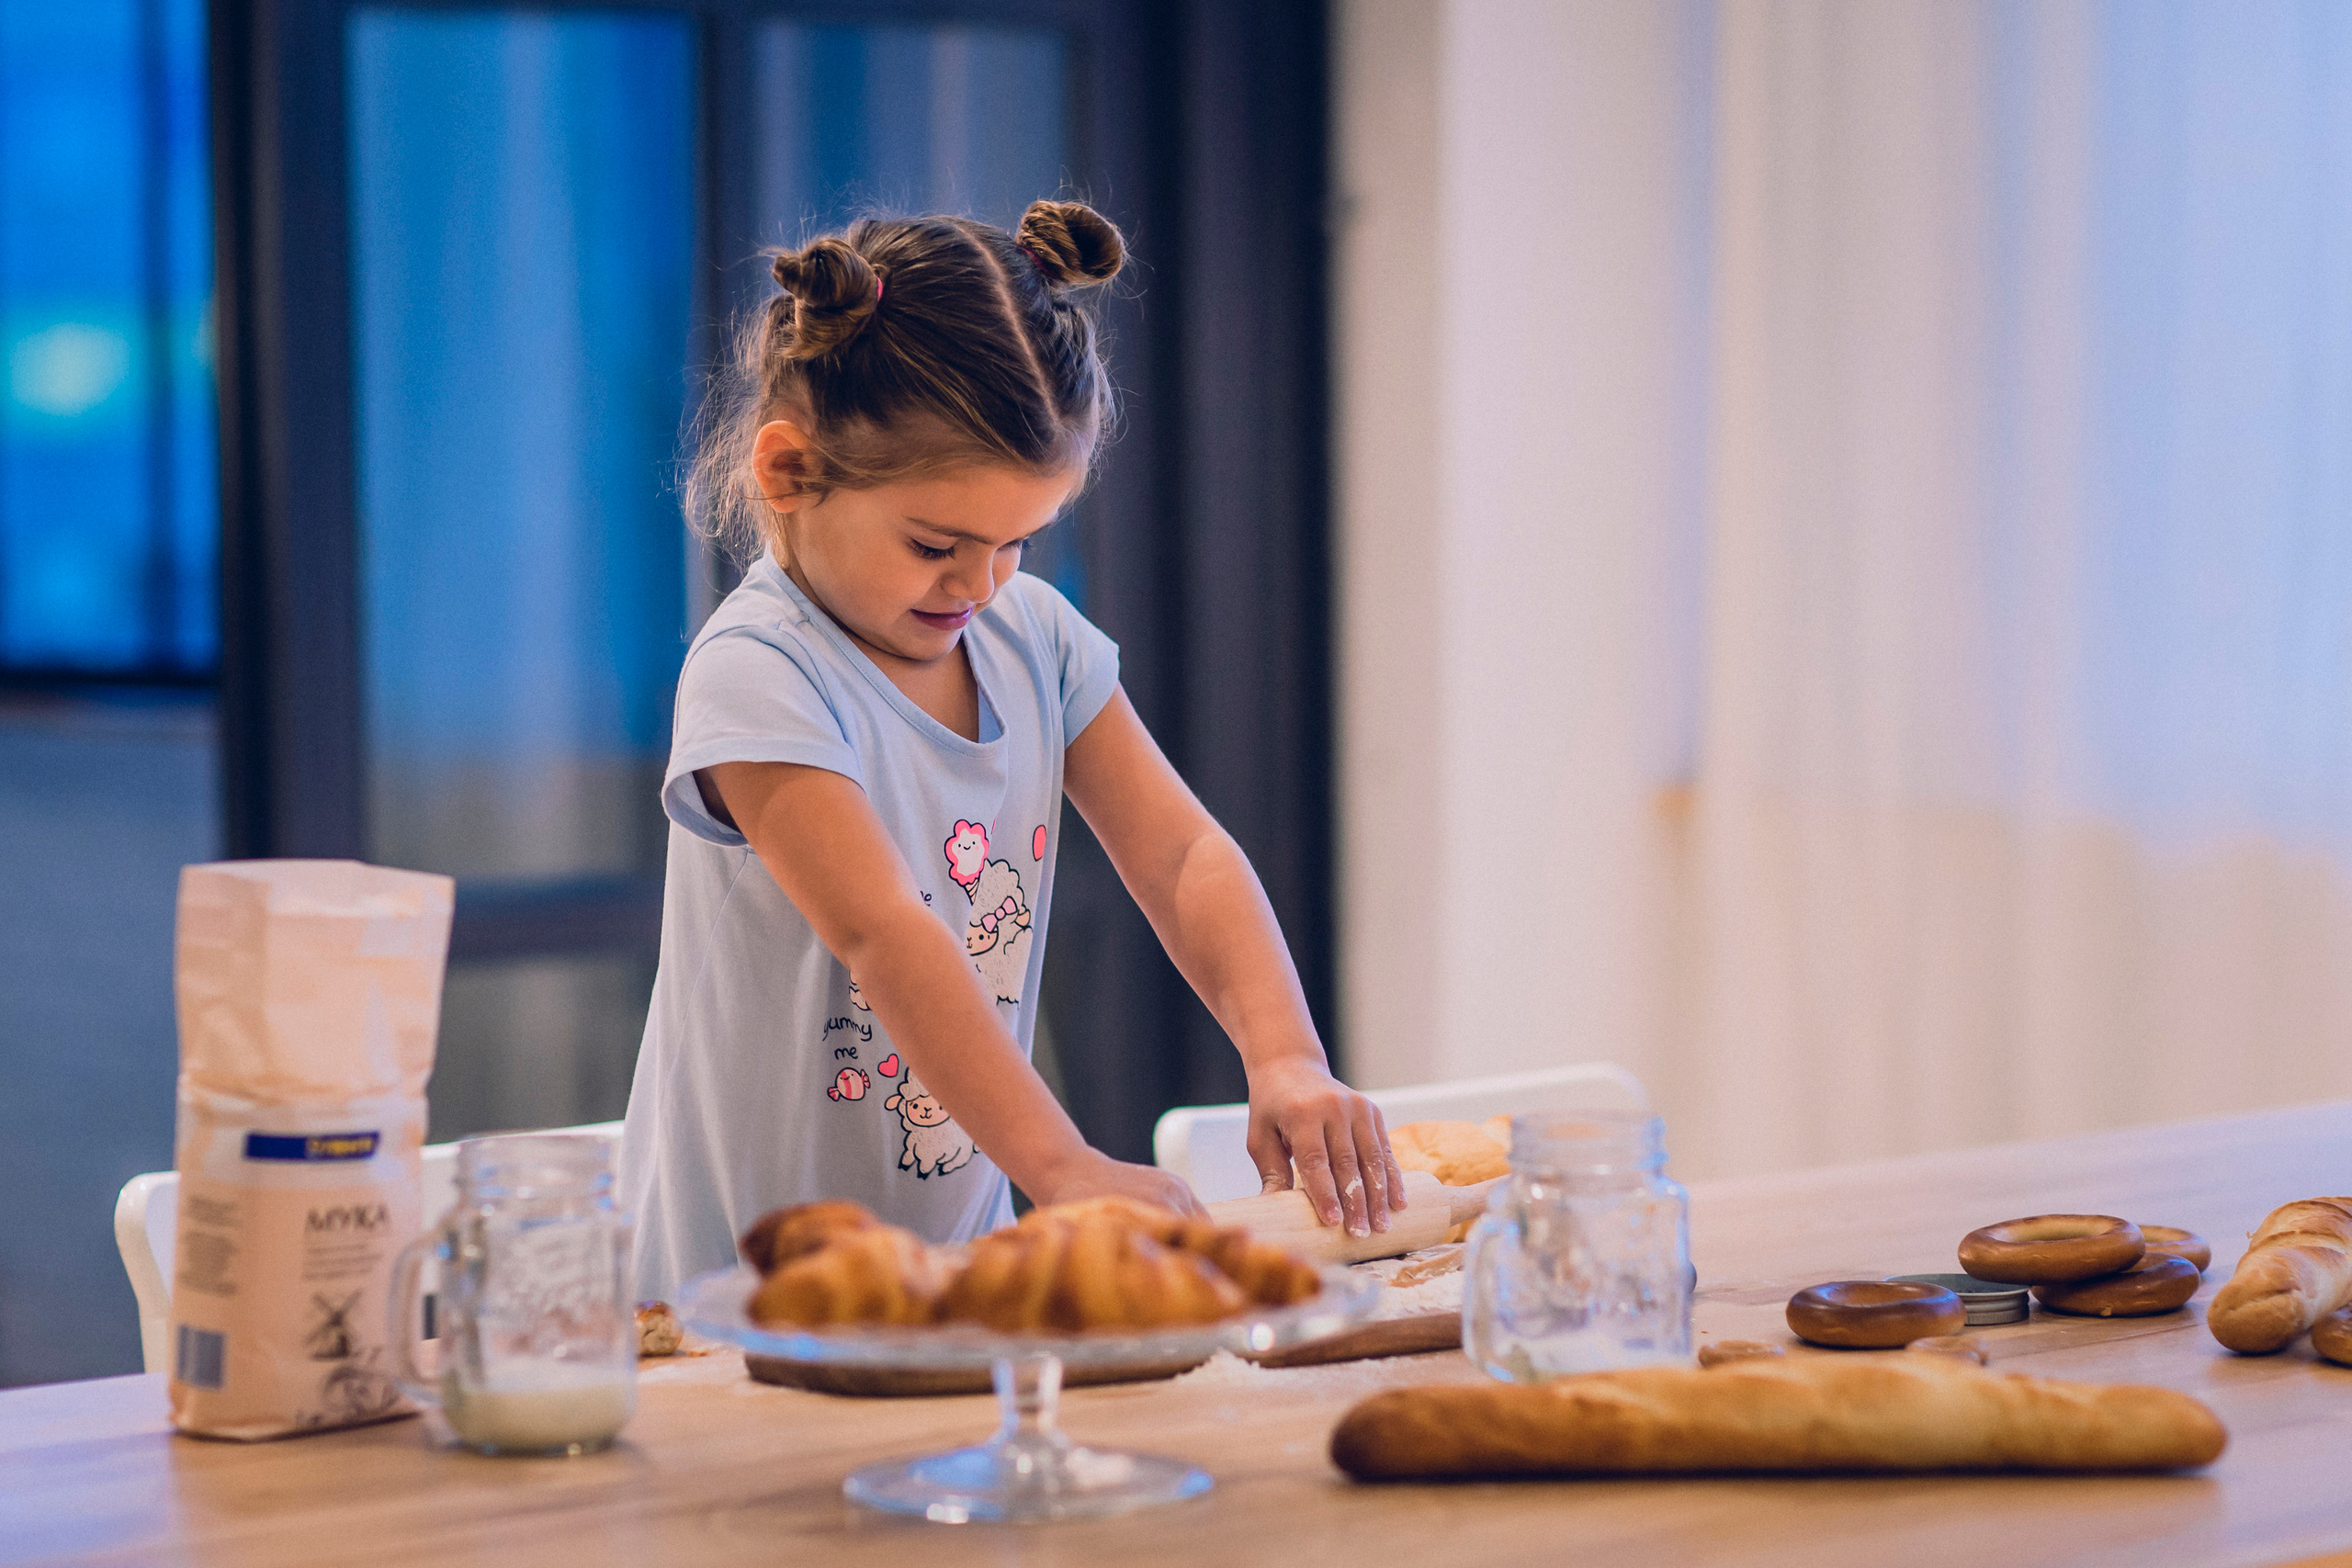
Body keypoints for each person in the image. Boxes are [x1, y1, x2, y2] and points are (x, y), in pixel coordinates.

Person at [620, 199, 1404, 1297]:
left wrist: (1284, 1056)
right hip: (735, 1295)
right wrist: (1063, 1166)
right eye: (935, 544)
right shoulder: (759, 673)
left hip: (952, 1276)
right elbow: (886, 934)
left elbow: (1182, 857)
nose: (979, 584)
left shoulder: (1032, 638)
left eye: (1017, 542)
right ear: (789, 471)